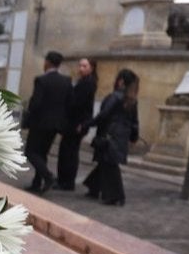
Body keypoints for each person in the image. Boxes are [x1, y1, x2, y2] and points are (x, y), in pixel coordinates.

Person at [82, 68, 140, 206]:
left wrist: (87, 124)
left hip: (109, 135)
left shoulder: (114, 97)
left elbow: (103, 115)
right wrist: (133, 137)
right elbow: (134, 122)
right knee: (106, 163)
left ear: (120, 81)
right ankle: (94, 187)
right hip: (120, 137)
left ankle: (116, 196)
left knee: (110, 165)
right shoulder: (132, 100)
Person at [20, 50, 72, 194]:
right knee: (42, 153)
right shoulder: (66, 81)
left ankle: (47, 176)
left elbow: (35, 104)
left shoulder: (41, 80)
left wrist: (28, 118)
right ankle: (37, 182)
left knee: (31, 151)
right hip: (55, 124)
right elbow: (69, 103)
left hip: (40, 123)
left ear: (47, 62)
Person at [56, 57, 97, 190]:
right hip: (75, 123)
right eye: (80, 66)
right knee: (67, 151)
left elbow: (78, 104)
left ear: (91, 68)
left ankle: (66, 181)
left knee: (69, 152)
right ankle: (64, 179)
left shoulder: (88, 83)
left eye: (84, 66)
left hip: (76, 124)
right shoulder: (85, 81)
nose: (81, 69)